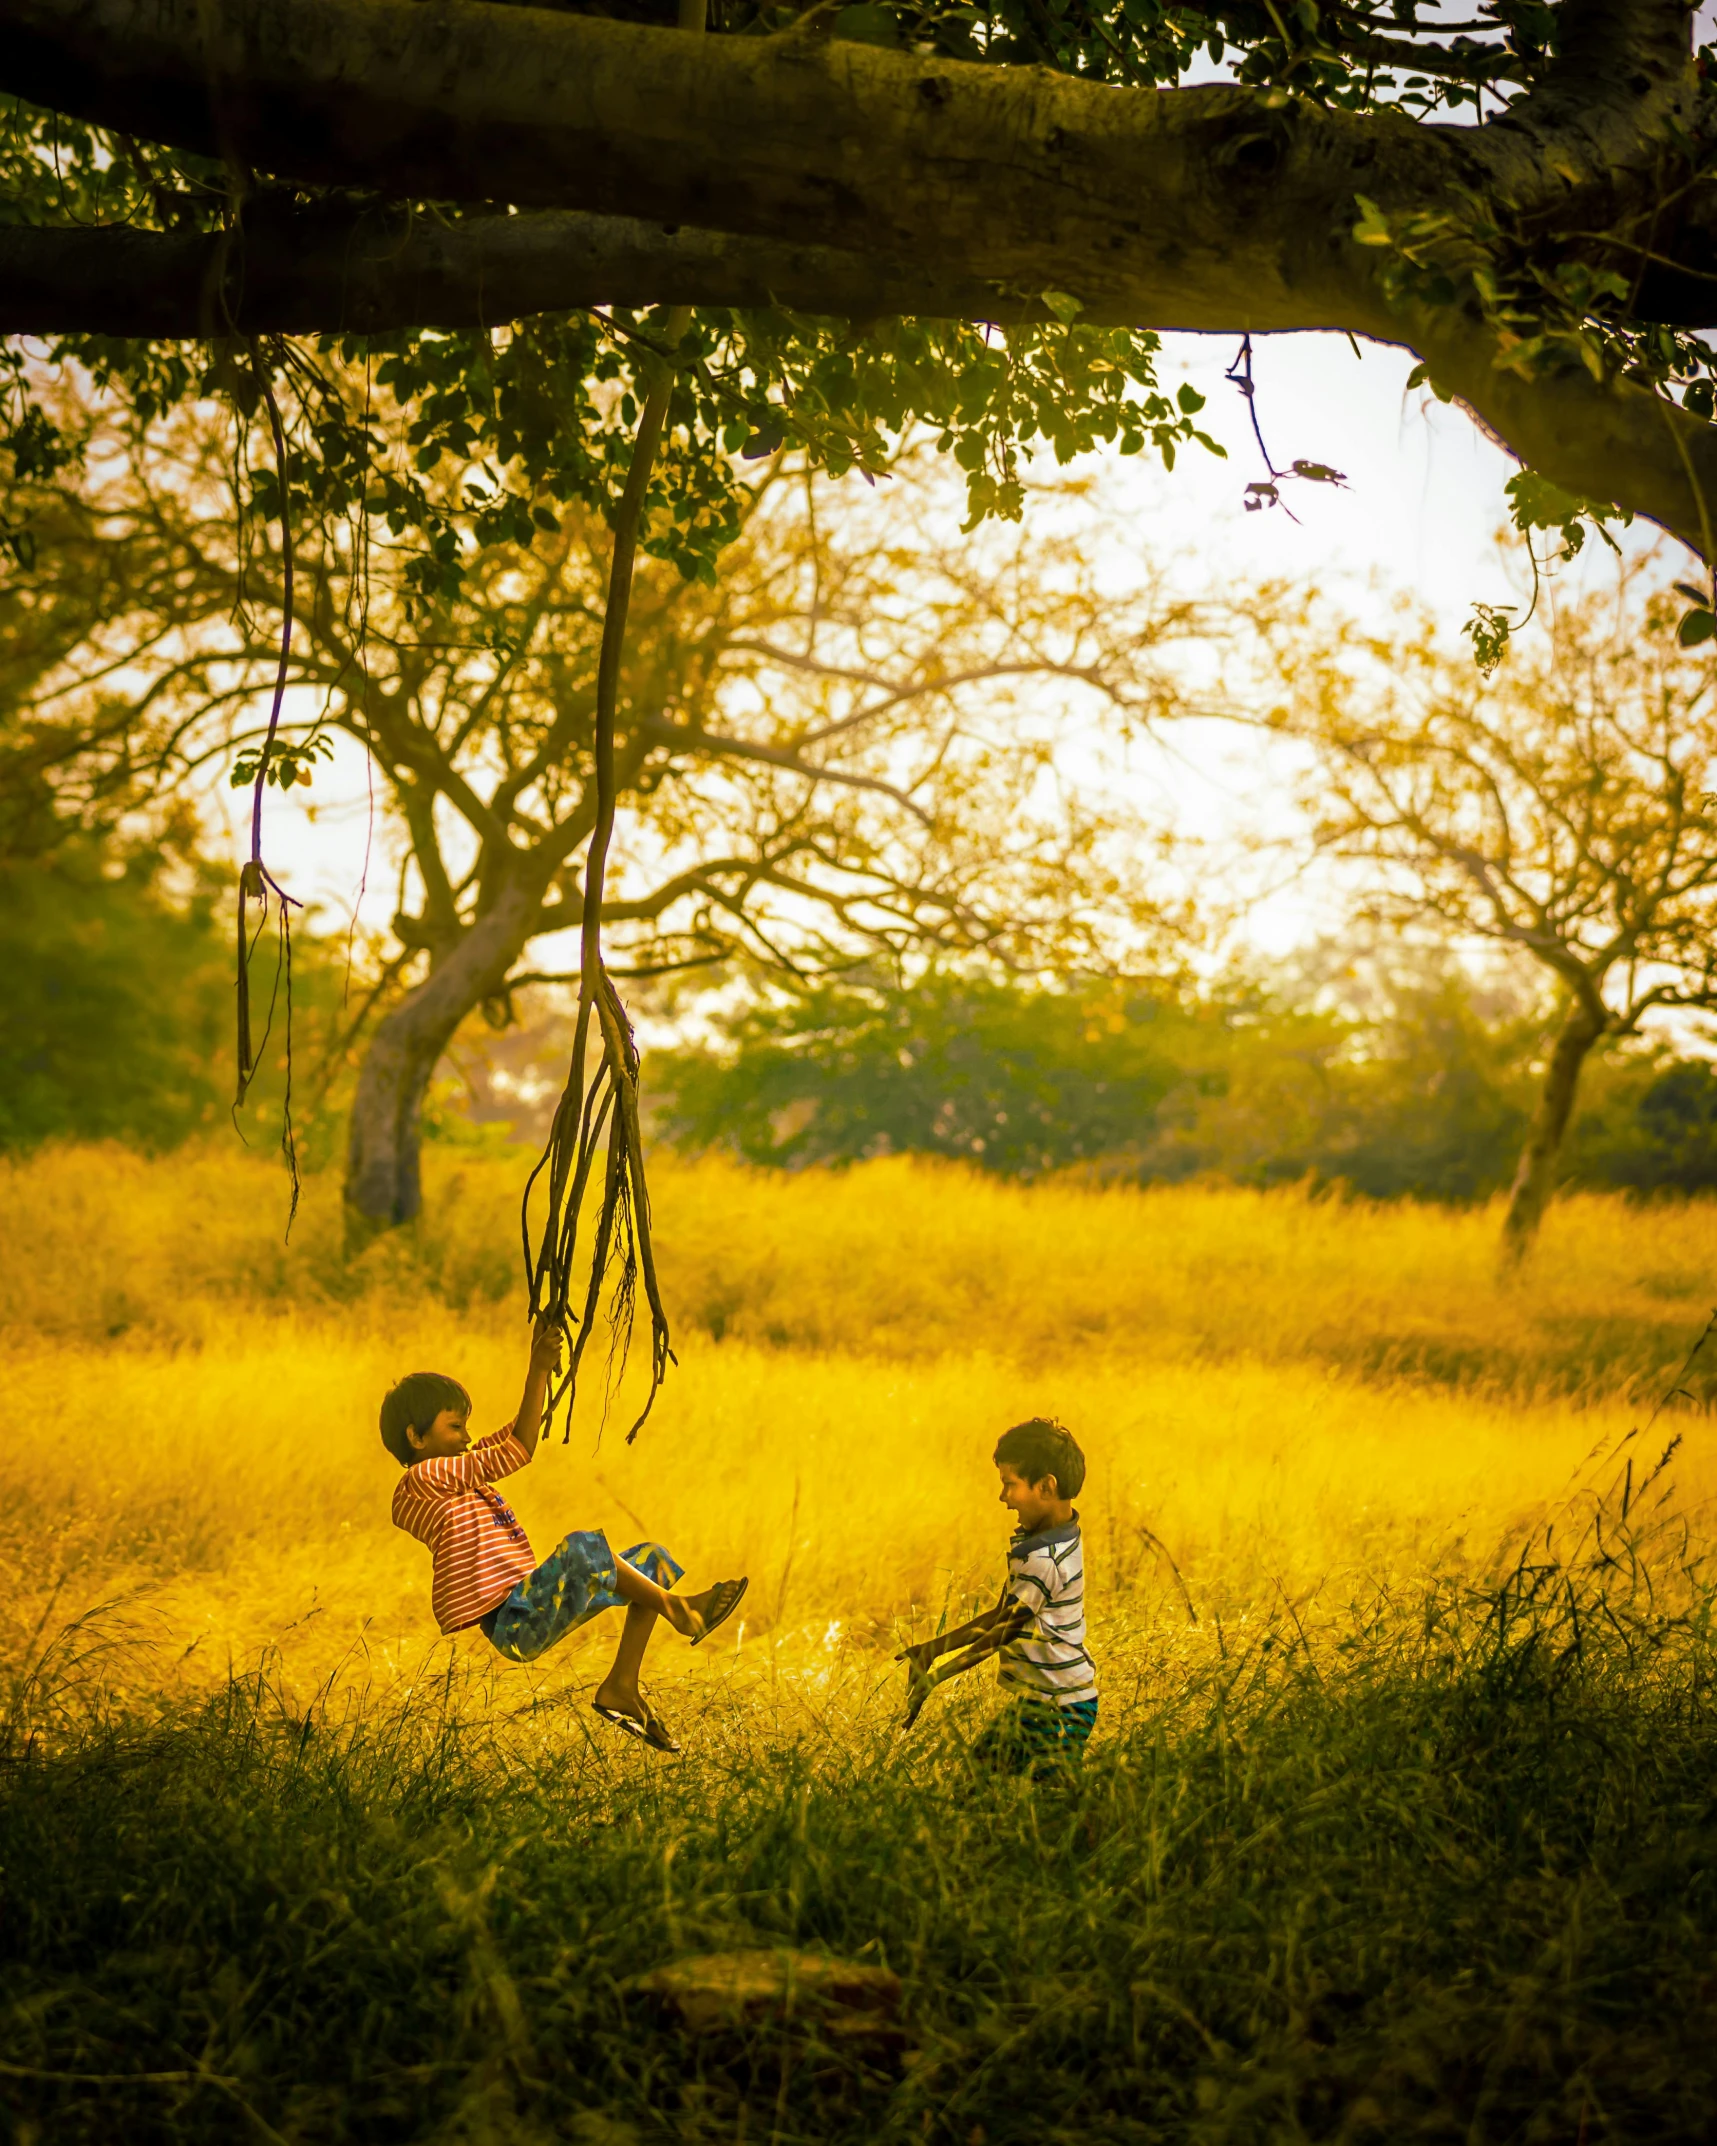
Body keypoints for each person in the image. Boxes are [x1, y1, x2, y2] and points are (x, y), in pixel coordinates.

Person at [381, 1315, 746, 1752]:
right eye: (455, 1427)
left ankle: (621, 1687)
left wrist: (546, 1371)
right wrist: (536, 1370)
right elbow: (519, 1449)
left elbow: (517, 1431)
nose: (467, 1437)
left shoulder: (451, 1472)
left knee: (649, 1561)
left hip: (531, 1601)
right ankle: (682, 1611)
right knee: (583, 1548)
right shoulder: (427, 1478)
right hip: (514, 1619)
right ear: (415, 1437)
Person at [896, 1417, 1097, 1776]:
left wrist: (937, 1676)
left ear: (1047, 1486)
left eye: (1010, 1484)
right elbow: (1002, 1615)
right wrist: (932, 1649)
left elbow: (1003, 1630)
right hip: (1038, 1702)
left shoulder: (1044, 1560)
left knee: (1049, 1804)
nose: (1003, 1497)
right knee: (977, 1786)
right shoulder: (1052, 1539)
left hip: (1058, 1707)